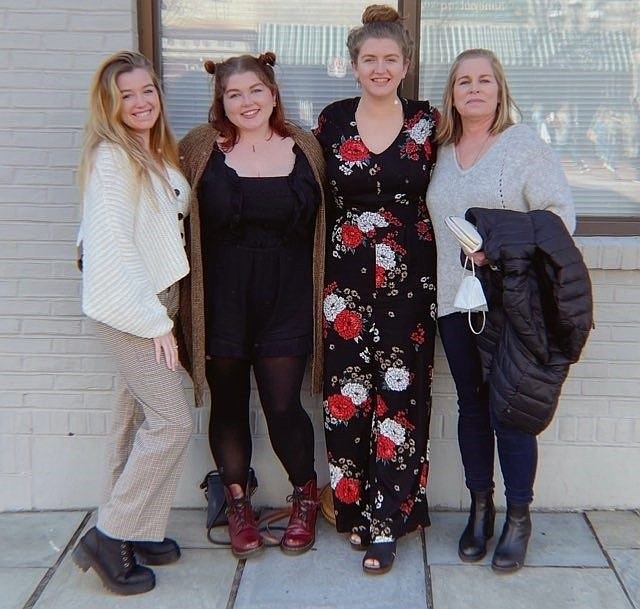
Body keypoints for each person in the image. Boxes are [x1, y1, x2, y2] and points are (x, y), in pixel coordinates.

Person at [426, 48, 576, 573]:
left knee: (509, 411)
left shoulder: (522, 146)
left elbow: (559, 216)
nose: (474, 89)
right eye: (463, 81)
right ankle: (480, 508)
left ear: (498, 88)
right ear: (452, 93)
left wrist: (501, 246)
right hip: (452, 300)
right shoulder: (439, 151)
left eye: (484, 80)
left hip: (511, 302)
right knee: (472, 405)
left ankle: (518, 518)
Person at [177, 53, 326, 558]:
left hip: (288, 297)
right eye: (234, 94)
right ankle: (238, 504)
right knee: (229, 403)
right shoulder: (199, 149)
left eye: (256, 90)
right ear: (220, 100)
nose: (247, 102)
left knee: (284, 405)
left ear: (273, 92)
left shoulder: (305, 147)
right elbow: (162, 209)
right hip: (222, 299)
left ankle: (305, 493)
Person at [313, 5, 439, 575]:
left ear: (406, 64)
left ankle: (390, 519)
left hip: (410, 277)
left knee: (401, 394)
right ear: (354, 64)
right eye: (370, 59)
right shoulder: (332, 119)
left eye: (391, 59)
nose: (380, 68)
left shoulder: (429, 122)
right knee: (349, 392)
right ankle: (352, 508)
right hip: (346, 280)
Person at [72, 51, 193, 595]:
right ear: (110, 104)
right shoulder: (112, 159)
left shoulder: (152, 151)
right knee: (172, 421)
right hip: (132, 308)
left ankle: (134, 529)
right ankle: (109, 535)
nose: (141, 102)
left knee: (134, 419)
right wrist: (154, 322)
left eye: (148, 90)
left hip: (152, 302)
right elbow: (112, 245)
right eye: (128, 95)